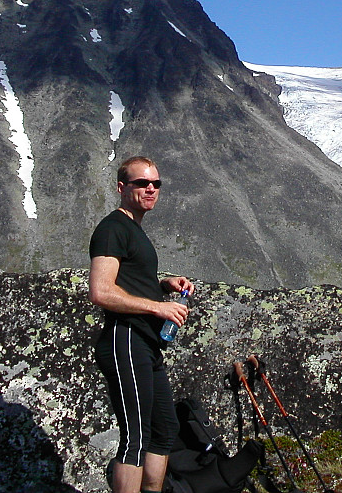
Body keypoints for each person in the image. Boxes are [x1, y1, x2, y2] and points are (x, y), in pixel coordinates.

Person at [89, 156, 195, 493]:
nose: (150, 189)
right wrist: (157, 308)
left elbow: (130, 279)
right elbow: (101, 291)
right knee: (136, 435)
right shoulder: (112, 229)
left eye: (156, 184)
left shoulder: (133, 229)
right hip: (126, 339)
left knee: (164, 430)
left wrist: (164, 285)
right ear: (122, 188)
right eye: (141, 183)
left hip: (145, 344)